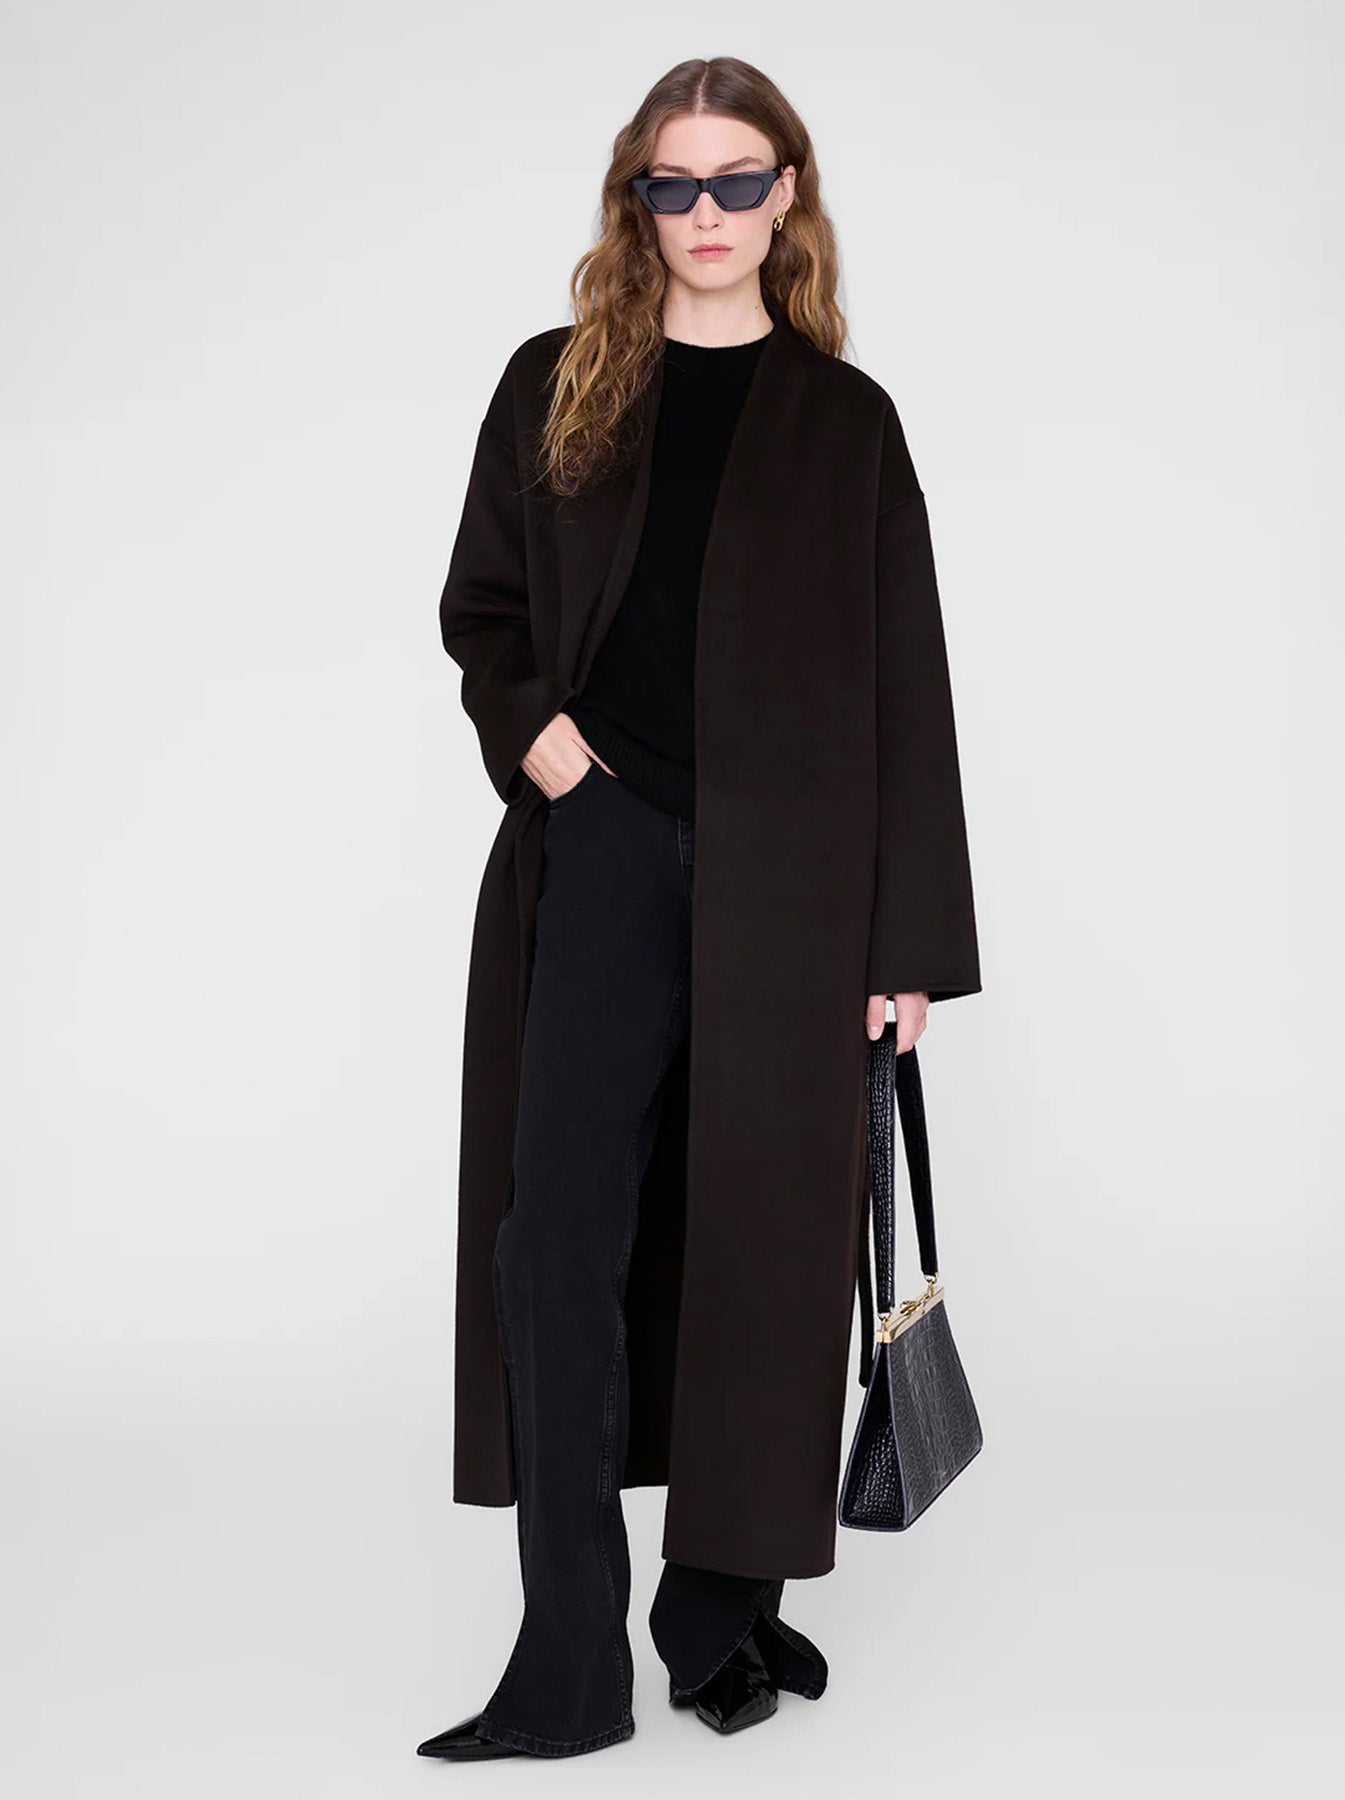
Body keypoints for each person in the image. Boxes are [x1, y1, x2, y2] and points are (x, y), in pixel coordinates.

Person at [418, 54, 981, 1762]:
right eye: (678, 184)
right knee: (557, 1239)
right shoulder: (556, 382)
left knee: (766, 1246)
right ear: (638, 201)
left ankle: (717, 1607)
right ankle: (567, 1658)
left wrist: (906, 945)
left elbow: (905, 688)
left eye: (741, 181)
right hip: (600, 847)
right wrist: (537, 734)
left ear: (785, 195)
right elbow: (482, 608)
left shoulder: (843, 420)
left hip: (795, 883)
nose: (710, 213)